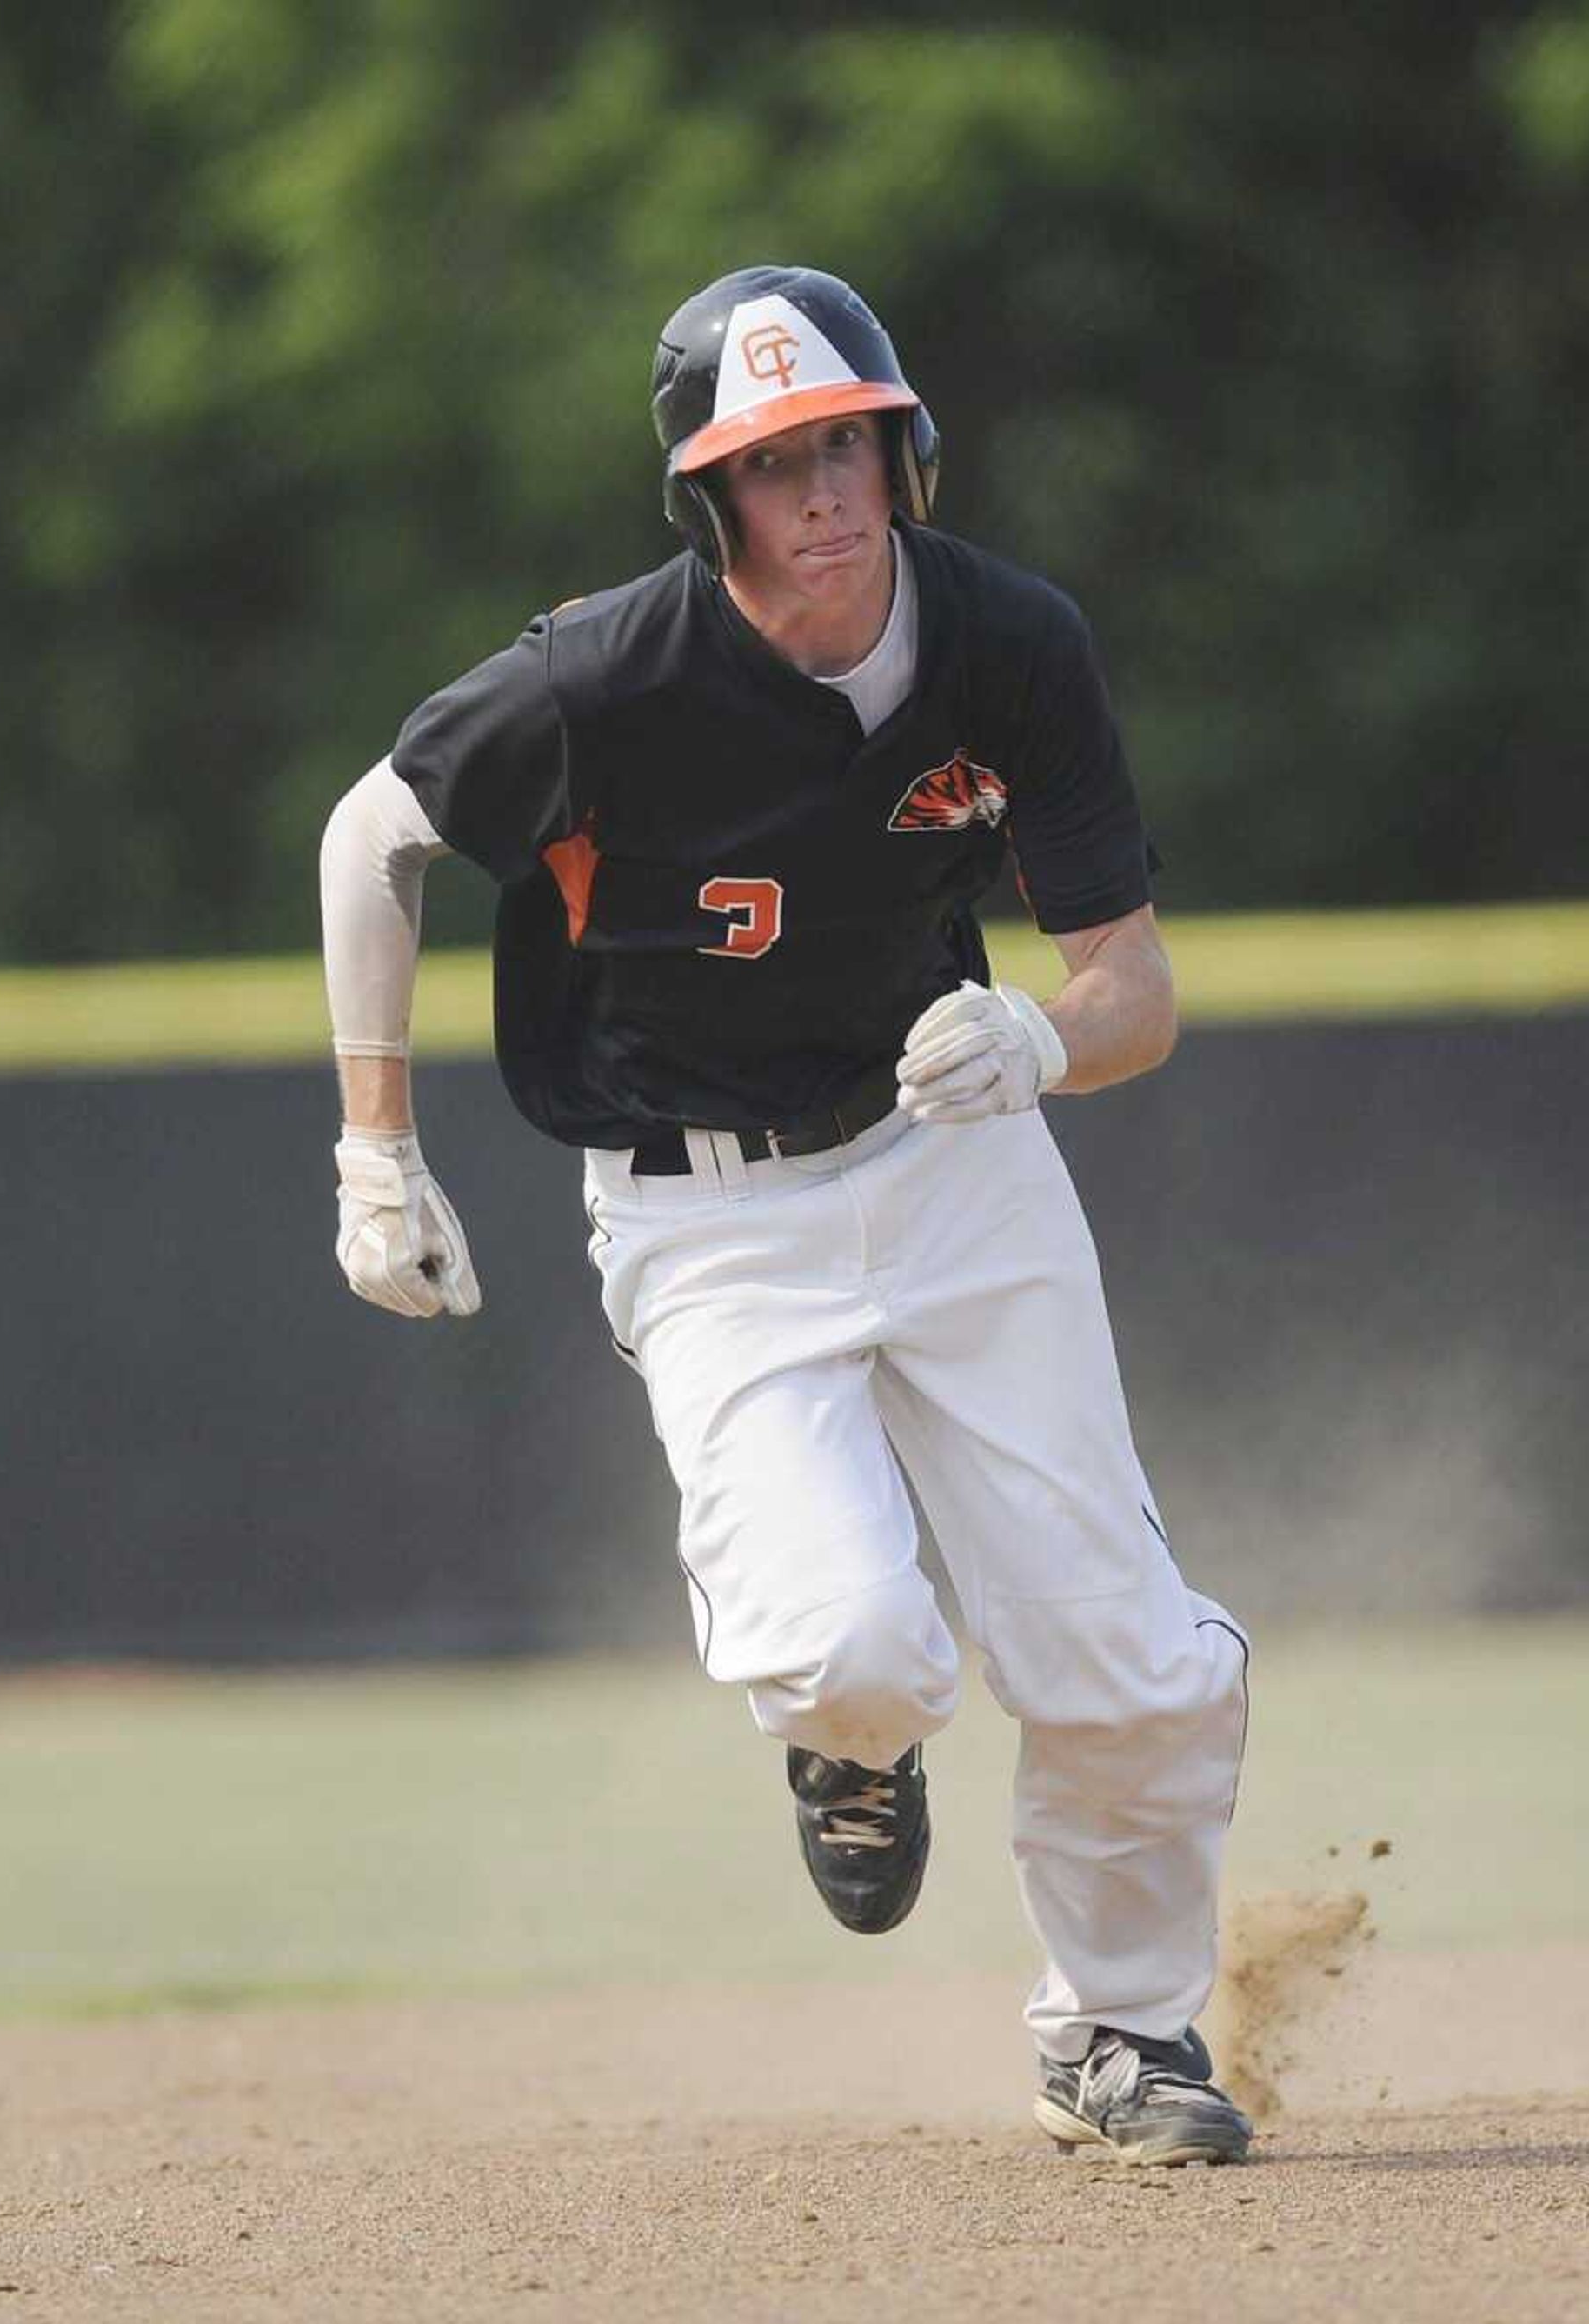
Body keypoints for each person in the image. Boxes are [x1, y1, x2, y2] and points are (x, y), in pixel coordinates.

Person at [319, 265, 1253, 2167]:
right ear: (706, 495)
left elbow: (1132, 984)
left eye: (848, 445)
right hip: (705, 1208)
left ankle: (1123, 2021)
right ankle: (846, 1746)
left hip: (951, 1158)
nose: (823, 493)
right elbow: (373, 833)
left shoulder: (1010, 640)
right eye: (773, 463)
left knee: (1122, 1657)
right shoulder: (606, 675)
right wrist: (374, 1145)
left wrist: (1043, 1043)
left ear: (903, 451)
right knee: (858, 1650)